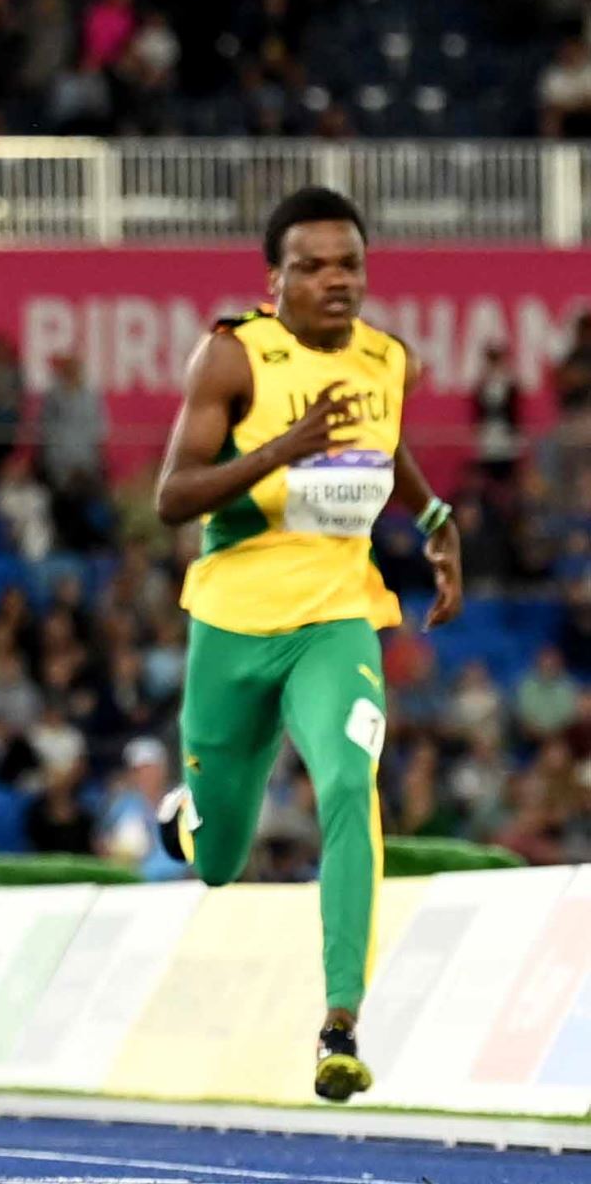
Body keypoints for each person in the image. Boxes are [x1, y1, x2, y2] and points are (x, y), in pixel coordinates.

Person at [153, 186, 463, 1103]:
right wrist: (280, 448)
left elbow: (383, 447)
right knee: (218, 862)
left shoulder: (385, 360)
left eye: (350, 265)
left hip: (338, 617)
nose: (336, 281)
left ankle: (339, 1026)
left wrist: (435, 515)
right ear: (274, 278)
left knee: (346, 782)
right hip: (233, 625)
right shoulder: (232, 355)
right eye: (313, 266)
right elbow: (174, 494)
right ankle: (186, 816)